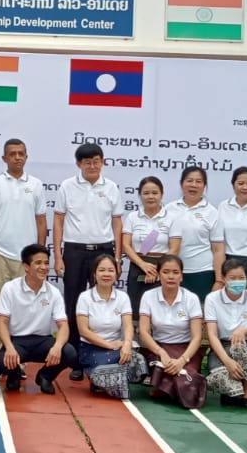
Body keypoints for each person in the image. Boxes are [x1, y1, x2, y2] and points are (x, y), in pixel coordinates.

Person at [52, 142, 124, 368]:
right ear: (78, 164)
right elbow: (58, 220)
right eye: (87, 162)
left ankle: (101, 351)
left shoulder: (111, 187)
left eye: (96, 161)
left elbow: (117, 223)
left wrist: (117, 257)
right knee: (73, 303)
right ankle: (75, 358)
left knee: (101, 302)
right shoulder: (67, 186)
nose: (92, 166)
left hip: (103, 251)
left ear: (103, 162)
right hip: (74, 251)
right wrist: (58, 255)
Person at [0, 139, 46, 354]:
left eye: (21, 153)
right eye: (12, 154)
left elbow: (41, 221)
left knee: (21, 308)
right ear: (4, 158)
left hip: (25, 257)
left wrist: (40, 256)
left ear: (26, 157)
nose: (17, 157)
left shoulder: (35, 185)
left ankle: (16, 354)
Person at [0, 244, 77, 394]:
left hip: (42, 340)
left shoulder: (53, 292)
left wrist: (57, 347)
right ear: (26, 266)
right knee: (2, 363)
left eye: (46, 263)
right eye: (38, 263)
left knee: (69, 352)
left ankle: (45, 376)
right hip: (17, 341)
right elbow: (2, 322)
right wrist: (9, 347)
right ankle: (14, 374)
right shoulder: (10, 288)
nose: (43, 267)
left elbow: (63, 325)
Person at [137, 254, 205, 400]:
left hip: (186, 350)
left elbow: (197, 337)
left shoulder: (191, 298)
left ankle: (172, 389)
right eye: (166, 272)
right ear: (158, 275)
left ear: (181, 276)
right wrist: (161, 352)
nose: (171, 277)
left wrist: (182, 360)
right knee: (162, 369)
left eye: (175, 272)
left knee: (186, 379)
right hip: (158, 348)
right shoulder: (148, 296)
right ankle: (167, 388)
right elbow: (143, 332)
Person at [203, 258, 247, 407]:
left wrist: (244, 331)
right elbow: (212, 335)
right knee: (219, 376)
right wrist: (227, 361)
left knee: (240, 349)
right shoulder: (212, 299)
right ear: (223, 279)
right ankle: (235, 390)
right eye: (232, 278)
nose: (238, 281)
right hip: (221, 347)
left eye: (242, 278)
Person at [73, 255, 137, 393]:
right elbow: (83, 331)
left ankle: (109, 378)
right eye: (102, 270)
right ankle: (102, 377)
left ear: (117, 273)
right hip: (92, 349)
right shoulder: (85, 297)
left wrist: (126, 344)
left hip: (117, 348)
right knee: (105, 372)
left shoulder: (123, 297)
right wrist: (109, 345)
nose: (106, 274)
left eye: (110, 270)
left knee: (139, 361)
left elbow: (128, 325)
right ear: (94, 274)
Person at [123, 177, 175, 326]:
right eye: (146, 193)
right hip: (137, 266)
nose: (150, 196)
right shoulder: (133, 217)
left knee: (160, 312)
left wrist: (160, 270)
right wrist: (143, 265)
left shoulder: (171, 218)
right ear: (140, 195)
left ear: (162, 194)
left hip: (163, 269)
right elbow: (126, 245)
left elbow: (175, 248)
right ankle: (137, 346)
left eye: (155, 193)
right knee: (137, 311)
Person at [167, 166, 220, 299]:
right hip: (173, 272)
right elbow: (155, 236)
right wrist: (142, 256)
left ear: (204, 186)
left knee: (200, 315)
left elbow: (218, 249)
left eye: (198, 181)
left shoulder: (212, 212)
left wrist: (219, 280)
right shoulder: (169, 209)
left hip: (203, 272)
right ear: (181, 183)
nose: (193, 185)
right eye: (189, 181)